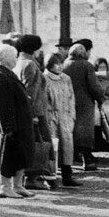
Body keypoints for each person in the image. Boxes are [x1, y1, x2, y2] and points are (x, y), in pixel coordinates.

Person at [0, 43, 35, 198]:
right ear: (6, 58)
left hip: (20, 121)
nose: (16, 59)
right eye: (14, 57)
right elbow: (3, 103)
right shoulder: (0, 75)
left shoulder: (6, 72)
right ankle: (5, 186)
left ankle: (18, 185)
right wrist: (8, 127)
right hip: (11, 124)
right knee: (8, 155)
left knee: (21, 154)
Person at [15, 34, 53, 191]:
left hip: (25, 111)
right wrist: (34, 115)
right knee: (40, 144)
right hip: (36, 111)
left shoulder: (18, 63)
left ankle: (28, 176)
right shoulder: (30, 65)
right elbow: (31, 92)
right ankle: (33, 177)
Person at [62, 43, 104, 171]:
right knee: (85, 132)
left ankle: (69, 162)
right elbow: (94, 86)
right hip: (84, 102)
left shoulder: (64, 64)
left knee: (70, 130)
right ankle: (87, 161)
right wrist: (100, 98)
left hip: (67, 101)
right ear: (82, 53)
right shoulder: (87, 65)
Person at [42, 52, 80, 187]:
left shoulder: (66, 79)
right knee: (53, 146)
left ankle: (67, 175)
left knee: (67, 145)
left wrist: (72, 117)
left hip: (65, 116)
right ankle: (50, 177)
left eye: (60, 63)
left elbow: (71, 98)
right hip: (51, 116)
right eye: (55, 64)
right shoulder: (44, 78)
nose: (59, 67)